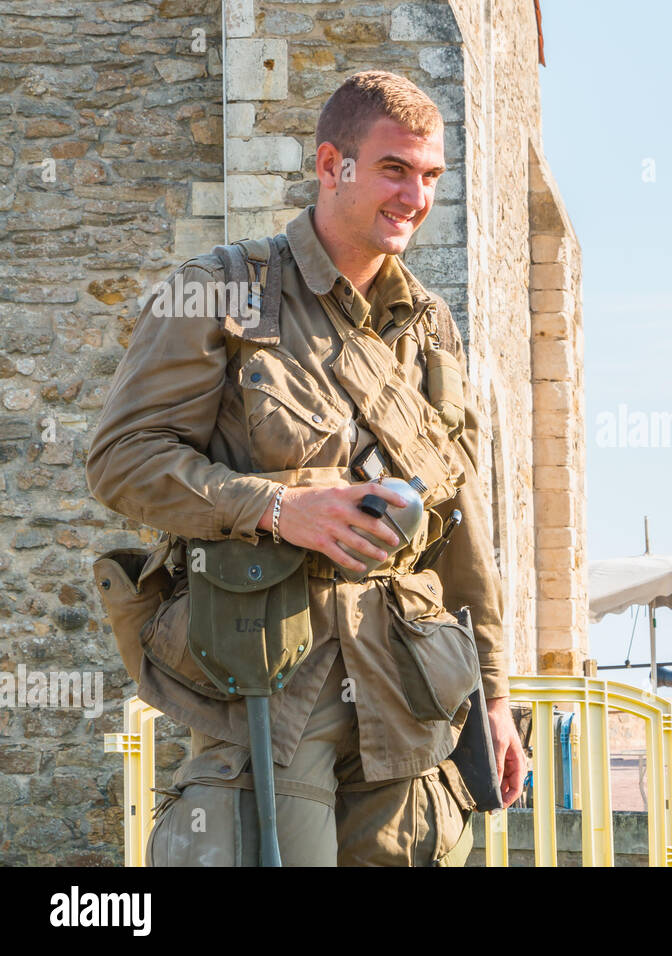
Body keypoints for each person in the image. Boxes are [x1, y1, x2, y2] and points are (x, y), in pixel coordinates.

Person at [87, 70, 524, 866]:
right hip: (271, 684)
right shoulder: (220, 290)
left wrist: (496, 698)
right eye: (394, 169)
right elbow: (122, 460)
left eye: (430, 177)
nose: (415, 197)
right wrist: (279, 509)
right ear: (332, 166)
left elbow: (464, 533)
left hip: (409, 693)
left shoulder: (431, 329)